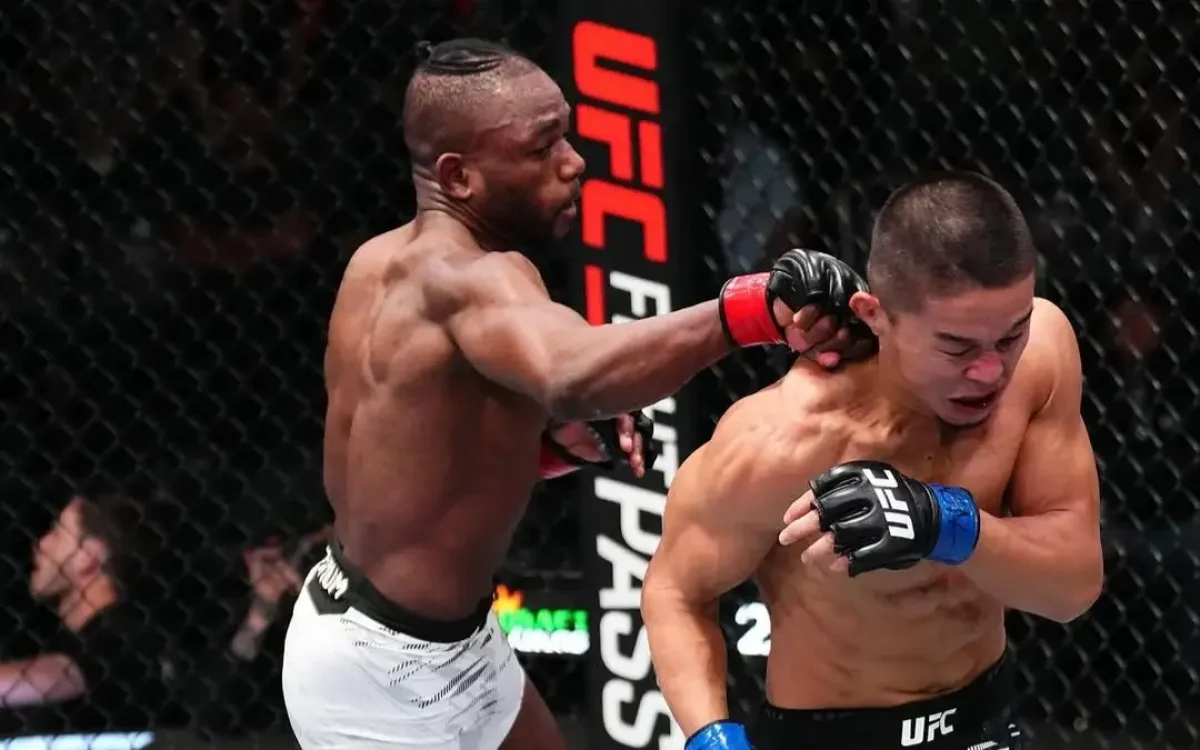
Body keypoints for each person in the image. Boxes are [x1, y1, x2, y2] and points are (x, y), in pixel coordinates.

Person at [280, 37, 875, 750]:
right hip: (379, 674)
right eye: (541, 148)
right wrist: (749, 310)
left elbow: (403, 473)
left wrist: (542, 452)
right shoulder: (470, 278)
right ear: (458, 176)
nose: (573, 162)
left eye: (566, 134)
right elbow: (574, 374)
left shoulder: (377, 262)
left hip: (417, 631)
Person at [642, 171, 1103, 750]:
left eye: (1011, 336)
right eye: (956, 346)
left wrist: (944, 522)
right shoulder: (781, 442)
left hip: (984, 721)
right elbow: (675, 591)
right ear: (875, 314)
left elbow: (1073, 588)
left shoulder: (1042, 357)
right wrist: (712, 740)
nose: (990, 371)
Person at [0, 492, 164, 734]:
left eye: (57, 533)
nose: (41, 545)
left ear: (88, 555)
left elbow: (65, 674)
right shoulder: (65, 639)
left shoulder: (122, 633)